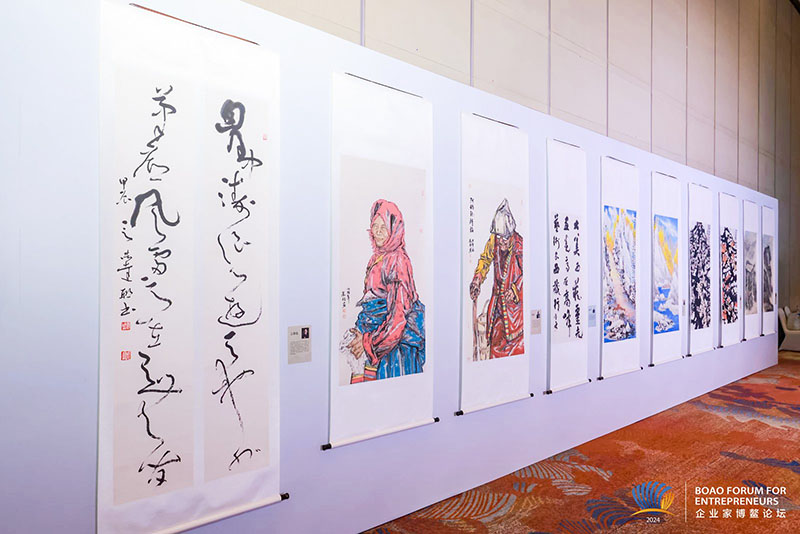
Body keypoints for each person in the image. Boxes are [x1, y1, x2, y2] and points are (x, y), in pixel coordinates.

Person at [346, 199, 425, 382]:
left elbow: (398, 318)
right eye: (375, 226)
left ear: (394, 229)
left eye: (384, 227)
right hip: (375, 339)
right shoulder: (377, 257)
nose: (379, 231)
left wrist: (369, 343)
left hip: (393, 349)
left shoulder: (398, 261)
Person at [469, 199, 524, 359]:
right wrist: (477, 280)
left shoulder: (520, 246)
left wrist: (515, 290)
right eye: (498, 237)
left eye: (504, 238)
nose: (501, 241)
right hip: (497, 306)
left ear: (511, 235)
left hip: (515, 312)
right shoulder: (494, 241)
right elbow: (485, 260)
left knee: (515, 349)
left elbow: (527, 275)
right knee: (495, 344)